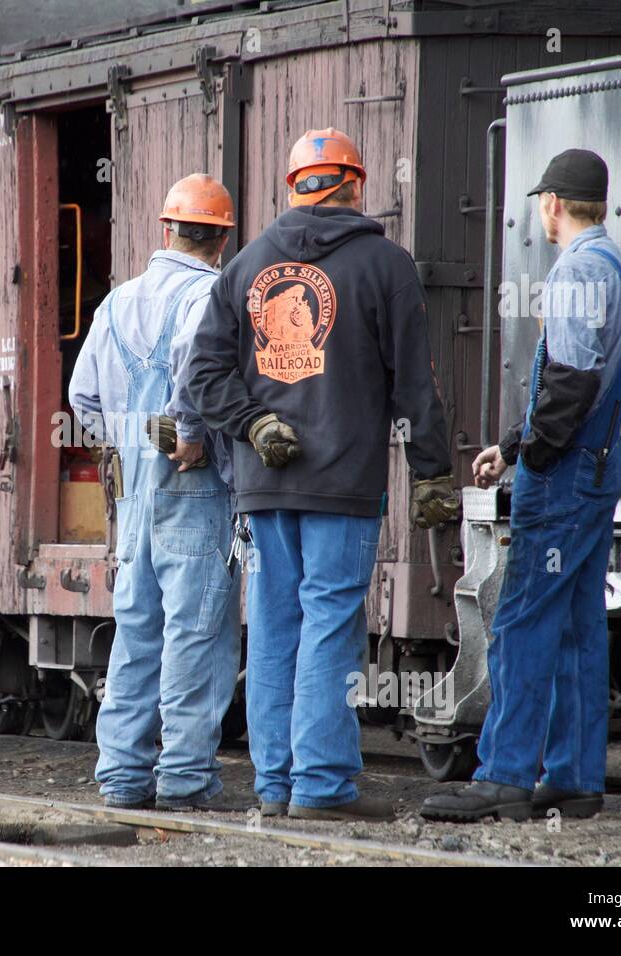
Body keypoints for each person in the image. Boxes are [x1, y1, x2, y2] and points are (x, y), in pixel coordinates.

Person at [187, 128, 458, 821]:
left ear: (294, 188)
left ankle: (274, 786)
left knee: (274, 626)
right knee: (331, 623)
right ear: (356, 185)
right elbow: (415, 382)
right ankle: (321, 785)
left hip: (264, 486)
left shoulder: (245, 265)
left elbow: (202, 377)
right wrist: (432, 472)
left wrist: (253, 424)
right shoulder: (385, 264)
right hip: (343, 481)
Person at [421, 148, 621, 823]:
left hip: (568, 475)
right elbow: (594, 379)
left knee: (519, 620)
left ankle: (506, 775)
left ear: (552, 203)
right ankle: (575, 778)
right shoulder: (620, 271)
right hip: (602, 464)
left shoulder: (575, 271)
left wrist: (533, 462)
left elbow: (570, 381)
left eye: (540, 204)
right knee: (578, 625)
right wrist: (513, 444)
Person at [68, 173, 241, 811]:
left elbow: (83, 398)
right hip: (194, 491)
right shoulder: (211, 296)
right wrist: (185, 436)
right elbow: (197, 378)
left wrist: (128, 445)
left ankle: (120, 777)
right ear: (222, 238)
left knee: (136, 632)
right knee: (196, 634)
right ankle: (184, 779)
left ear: (166, 229)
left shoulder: (116, 303)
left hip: (135, 495)